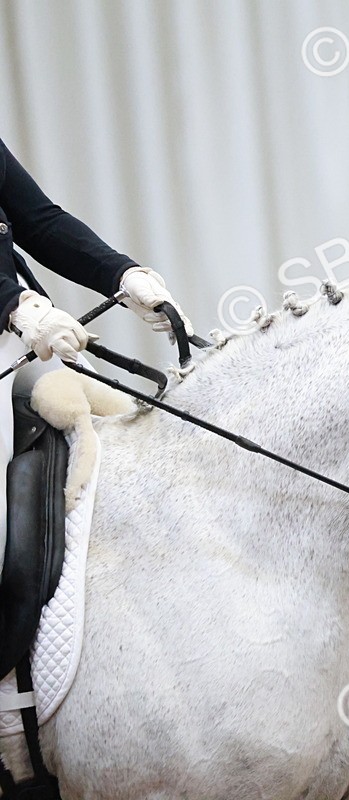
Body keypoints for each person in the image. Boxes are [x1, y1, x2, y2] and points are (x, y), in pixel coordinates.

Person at [0, 134, 193, 571]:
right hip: (16, 317)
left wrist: (121, 274)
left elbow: (39, 221)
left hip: (22, 328)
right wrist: (12, 303)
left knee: (109, 426)